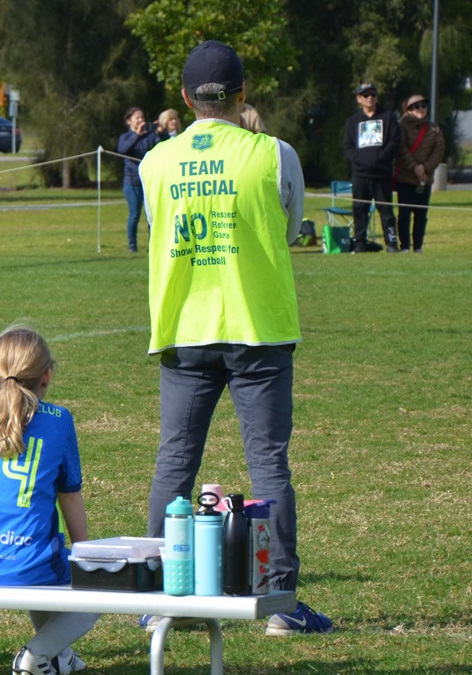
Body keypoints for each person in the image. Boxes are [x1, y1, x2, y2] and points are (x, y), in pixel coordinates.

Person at [138, 39, 331, 636]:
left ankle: (156, 598)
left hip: (186, 329)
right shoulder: (274, 154)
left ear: (185, 98)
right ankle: (279, 605)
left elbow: (154, 221)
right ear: (243, 94)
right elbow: (294, 221)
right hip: (258, 328)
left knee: (176, 461)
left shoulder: (156, 162)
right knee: (268, 463)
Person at [0, 327, 96, 675]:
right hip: (25, 564)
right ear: (47, 375)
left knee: (43, 559)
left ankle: (60, 655)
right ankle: (34, 655)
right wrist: (87, 555)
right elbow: (69, 495)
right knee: (100, 589)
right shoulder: (59, 420)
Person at [343, 82, 401, 252]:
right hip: (360, 174)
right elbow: (348, 146)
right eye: (366, 95)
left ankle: (391, 243)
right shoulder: (353, 121)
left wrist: (379, 159)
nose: (370, 98)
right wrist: (361, 161)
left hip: (382, 174)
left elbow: (394, 141)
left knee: (386, 210)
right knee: (360, 209)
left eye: (373, 95)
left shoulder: (388, 116)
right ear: (359, 99)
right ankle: (360, 242)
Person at [395, 94, 445, 252]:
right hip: (406, 178)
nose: (421, 109)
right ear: (409, 110)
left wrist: (425, 168)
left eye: (423, 105)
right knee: (404, 214)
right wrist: (415, 167)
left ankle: (418, 247)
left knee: (421, 215)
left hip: (424, 179)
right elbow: (400, 149)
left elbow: (439, 150)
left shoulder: (434, 128)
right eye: (416, 106)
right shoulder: (401, 126)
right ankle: (404, 247)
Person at [117, 107, 160, 253]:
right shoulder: (125, 137)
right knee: (134, 214)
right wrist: (137, 135)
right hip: (132, 181)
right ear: (129, 121)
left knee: (151, 214)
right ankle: (132, 245)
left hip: (148, 180)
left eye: (142, 118)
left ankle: (152, 244)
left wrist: (158, 132)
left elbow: (159, 148)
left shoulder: (150, 135)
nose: (141, 120)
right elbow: (123, 150)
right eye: (137, 118)